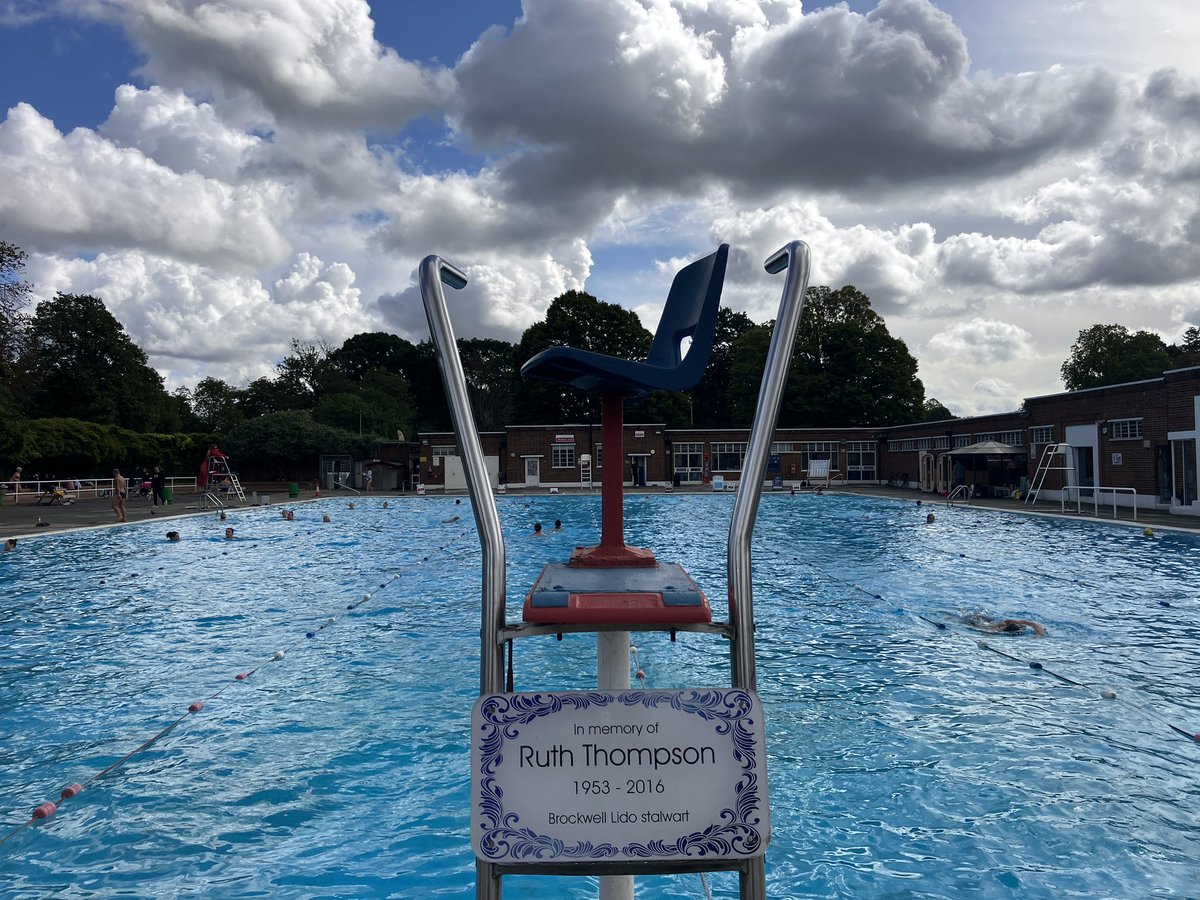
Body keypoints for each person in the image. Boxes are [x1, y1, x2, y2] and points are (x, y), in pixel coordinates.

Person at [961, 612, 1045, 636]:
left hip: (985, 621)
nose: (1003, 624)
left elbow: (1035, 624)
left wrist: (1040, 634)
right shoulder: (1008, 622)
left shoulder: (1009, 624)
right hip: (976, 621)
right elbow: (984, 632)